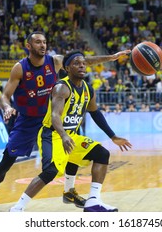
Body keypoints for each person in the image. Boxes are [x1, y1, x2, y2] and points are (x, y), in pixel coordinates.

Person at [0, 31, 130, 211]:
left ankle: (69, 191)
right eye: (38, 42)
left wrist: (111, 57)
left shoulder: (55, 61)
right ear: (29, 46)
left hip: (53, 119)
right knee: (7, 161)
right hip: (28, 121)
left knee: (73, 147)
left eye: (44, 42)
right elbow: (5, 95)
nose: (42, 45)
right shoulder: (20, 68)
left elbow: (82, 61)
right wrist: (7, 107)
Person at [9, 50, 132, 212]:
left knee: (102, 154)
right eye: (76, 63)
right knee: (51, 172)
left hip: (71, 135)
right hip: (51, 135)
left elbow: (95, 113)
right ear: (67, 68)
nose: (81, 66)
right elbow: (55, 115)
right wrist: (64, 135)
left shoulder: (88, 89)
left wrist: (113, 136)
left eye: (83, 63)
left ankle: (93, 200)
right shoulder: (62, 88)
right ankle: (17, 208)